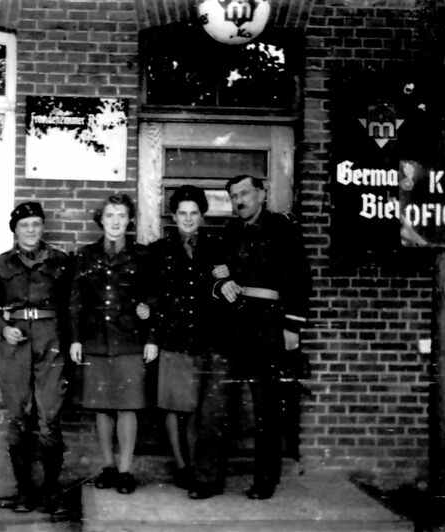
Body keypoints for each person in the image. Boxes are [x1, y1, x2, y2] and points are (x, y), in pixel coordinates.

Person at [188, 174, 311, 501]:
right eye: (233, 196)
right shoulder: (227, 233)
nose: (239, 200)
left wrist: (292, 328)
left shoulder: (283, 229)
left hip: (267, 328)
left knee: (266, 409)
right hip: (228, 329)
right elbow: (210, 275)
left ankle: (264, 481)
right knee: (213, 407)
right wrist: (220, 285)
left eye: (244, 193)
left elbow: (300, 280)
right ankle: (206, 480)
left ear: (261, 193)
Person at [0, 201, 71, 513]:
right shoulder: (1, 263)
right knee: (19, 417)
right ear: (15, 231)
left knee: (49, 418)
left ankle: (50, 491)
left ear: (42, 227)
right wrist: (3, 328)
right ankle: (24, 491)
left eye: (36, 224)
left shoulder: (60, 260)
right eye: (24, 225)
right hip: (15, 343)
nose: (31, 230)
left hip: (51, 342)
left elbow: (73, 306)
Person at [69, 193, 158, 495]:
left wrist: (152, 338)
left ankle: (125, 471)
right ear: (101, 220)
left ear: (130, 220)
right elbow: (75, 302)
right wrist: (76, 339)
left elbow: (153, 299)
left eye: (121, 215)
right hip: (95, 339)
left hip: (130, 340)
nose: (116, 221)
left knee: (128, 406)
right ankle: (107, 467)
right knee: (101, 406)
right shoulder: (85, 256)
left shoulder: (143, 256)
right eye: (110, 216)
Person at [147, 185, 224, 489]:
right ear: (173, 215)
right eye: (182, 213)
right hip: (173, 338)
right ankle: (182, 466)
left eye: (194, 213)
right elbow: (152, 297)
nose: (188, 219)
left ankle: (197, 465)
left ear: (202, 216)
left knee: (198, 409)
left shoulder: (217, 248)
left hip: (207, 339)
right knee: (173, 405)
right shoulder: (159, 251)